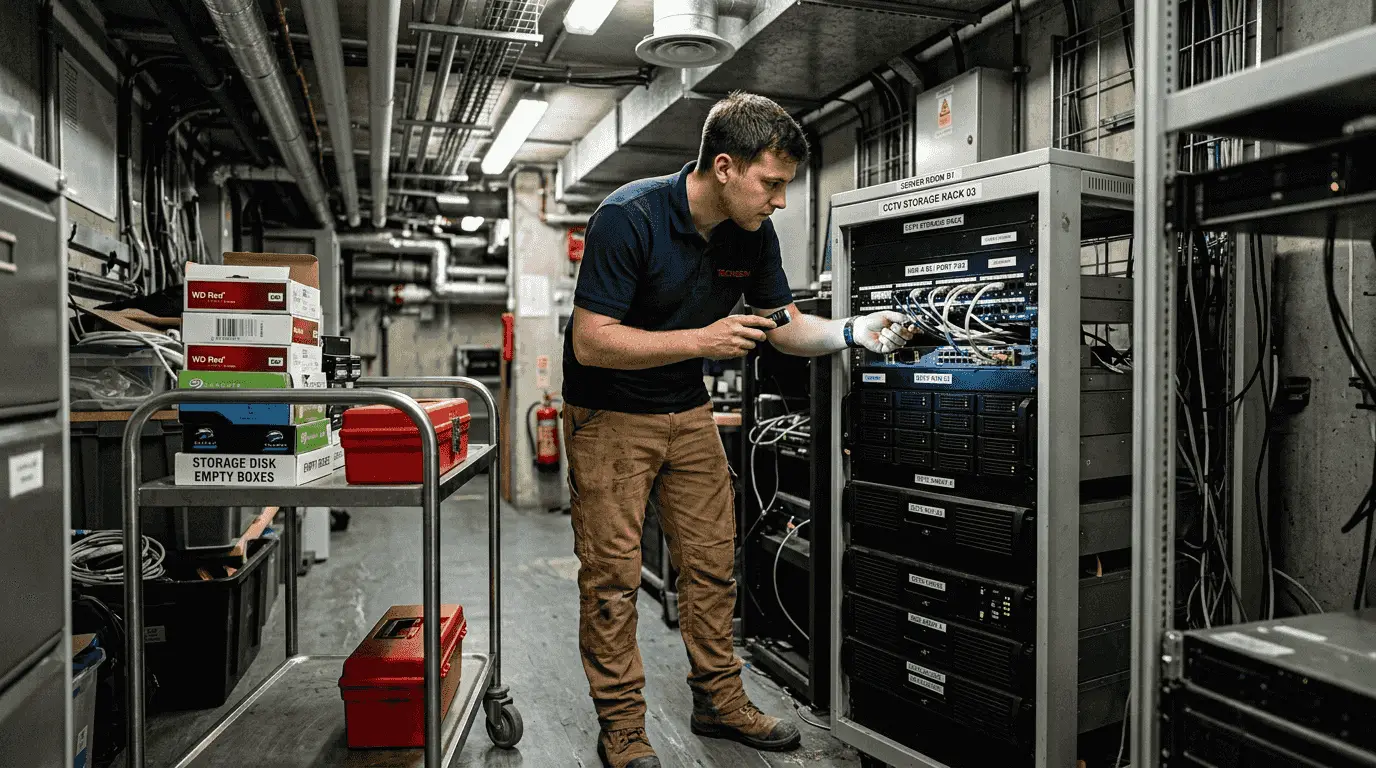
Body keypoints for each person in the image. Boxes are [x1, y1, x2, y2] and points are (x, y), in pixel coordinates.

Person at [561, 91, 913, 768]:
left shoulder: (751, 235)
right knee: (610, 580)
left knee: (712, 564)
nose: (779, 201)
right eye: (772, 183)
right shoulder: (627, 218)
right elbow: (591, 343)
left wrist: (849, 331)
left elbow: (782, 324)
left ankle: (717, 699)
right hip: (609, 419)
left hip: (684, 411)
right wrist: (703, 337)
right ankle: (624, 726)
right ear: (724, 167)